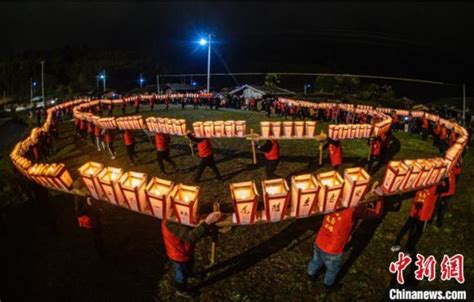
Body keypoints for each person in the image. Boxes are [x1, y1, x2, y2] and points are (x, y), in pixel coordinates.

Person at [308, 196, 383, 289]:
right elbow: (375, 214)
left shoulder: (332, 199)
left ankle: (311, 274)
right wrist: (379, 199)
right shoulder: (354, 208)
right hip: (334, 248)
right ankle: (328, 284)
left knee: (316, 260)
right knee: (332, 269)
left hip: (320, 240)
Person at [162, 211, 222, 298]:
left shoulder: (177, 215)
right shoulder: (171, 222)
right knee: (182, 274)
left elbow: (190, 229)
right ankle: (181, 290)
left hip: (186, 251)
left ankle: (190, 273)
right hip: (179, 255)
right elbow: (189, 237)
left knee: (190, 264)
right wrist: (207, 222)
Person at [390, 184, 442, 254]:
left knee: (407, 227)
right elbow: (446, 190)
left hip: (415, 209)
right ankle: (409, 250)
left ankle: (396, 244)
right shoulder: (437, 186)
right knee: (418, 231)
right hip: (424, 213)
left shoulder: (423, 180)